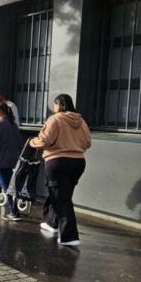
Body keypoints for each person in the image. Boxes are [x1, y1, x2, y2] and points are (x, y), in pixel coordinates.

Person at [29, 94, 91, 246]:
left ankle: (69, 237)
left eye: (55, 104)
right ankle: (52, 223)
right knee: (62, 194)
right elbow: (87, 143)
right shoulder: (81, 121)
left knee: (61, 198)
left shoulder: (55, 119)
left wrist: (32, 142)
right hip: (78, 162)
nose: (54, 107)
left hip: (57, 161)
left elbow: (45, 140)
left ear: (60, 105)